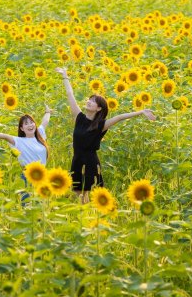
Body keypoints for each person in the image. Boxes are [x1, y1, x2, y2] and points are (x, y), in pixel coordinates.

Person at [55, 67, 156, 202]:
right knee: (78, 194)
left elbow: (120, 117)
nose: (89, 101)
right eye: (89, 99)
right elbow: (70, 94)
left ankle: (90, 216)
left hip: (90, 163)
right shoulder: (78, 117)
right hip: (77, 160)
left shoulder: (100, 125)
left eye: (93, 101)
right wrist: (65, 76)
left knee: (90, 195)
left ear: (99, 108)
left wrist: (141, 112)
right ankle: (83, 216)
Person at [0, 108, 51, 199]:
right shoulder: (19, 141)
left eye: (31, 122)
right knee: (27, 206)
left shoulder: (40, 134)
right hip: (28, 177)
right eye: (26, 124)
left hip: (43, 175)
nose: (30, 125)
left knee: (41, 206)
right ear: (22, 128)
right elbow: (5, 136)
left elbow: (45, 121)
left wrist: (47, 111)